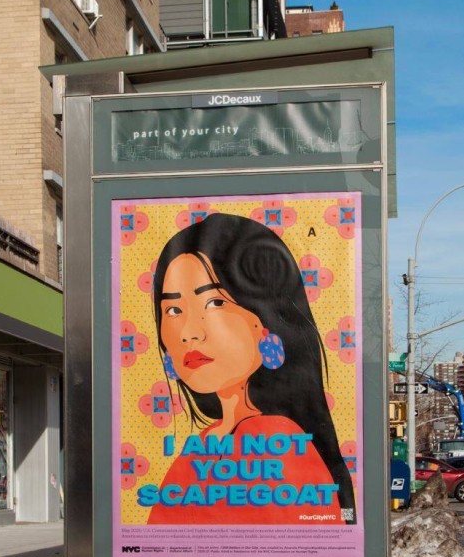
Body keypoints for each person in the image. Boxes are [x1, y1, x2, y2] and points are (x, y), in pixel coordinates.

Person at [142, 213, 356, 526]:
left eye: (214, 303)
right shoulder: (204, 443)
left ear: (265, 322)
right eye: (173, 310)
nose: (189, 332)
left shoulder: (273, 437)